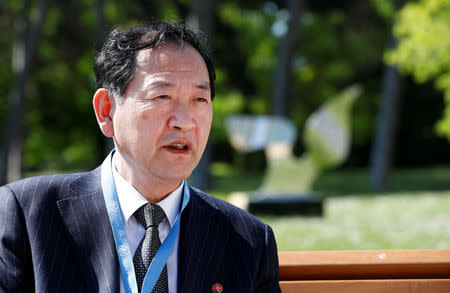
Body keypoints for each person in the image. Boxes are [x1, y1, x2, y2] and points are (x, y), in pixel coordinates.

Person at [0, 21, 281, 293]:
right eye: (162, 96)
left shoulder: (248, 240)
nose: (184, 121)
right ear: (106, 110)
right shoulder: (28, 214)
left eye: (199, 100)